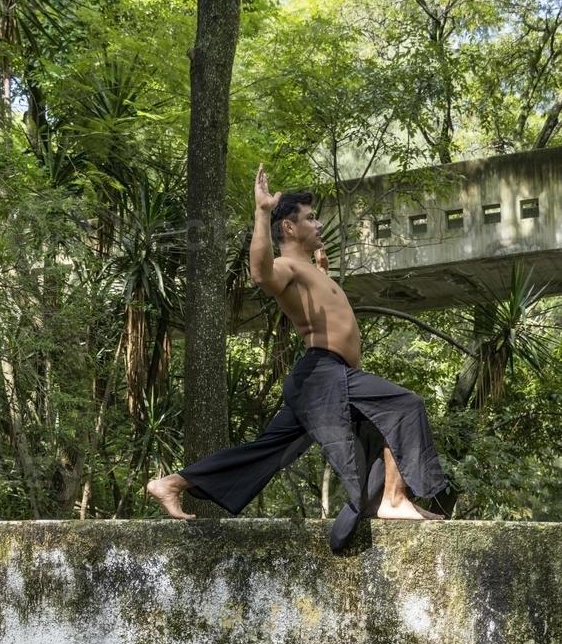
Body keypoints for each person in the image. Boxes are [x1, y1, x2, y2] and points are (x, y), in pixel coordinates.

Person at [147, 165, 448, 552]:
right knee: (404, 406)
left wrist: (322, 273)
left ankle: (173, 483)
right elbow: (260, 274)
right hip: (323, 375)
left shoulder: (310, 267)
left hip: (325, 382)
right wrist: (261, 212)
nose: (319, 223)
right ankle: (392, 500)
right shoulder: (287, 266)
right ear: (289, 228)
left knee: (270, 449)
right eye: (310, 218)